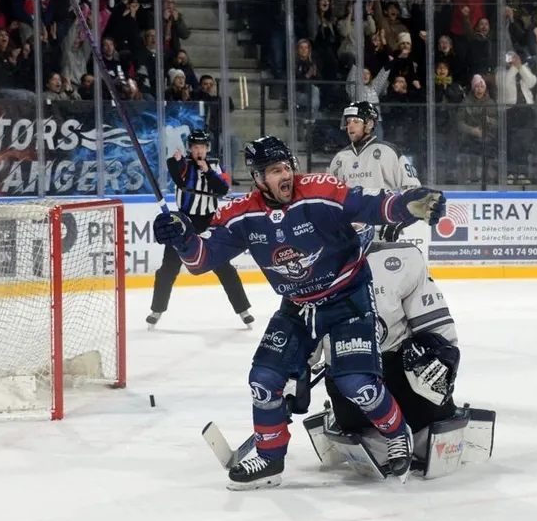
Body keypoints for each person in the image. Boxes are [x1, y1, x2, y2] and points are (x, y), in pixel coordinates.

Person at [152, 136, 446, 490]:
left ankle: (398, 434)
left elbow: (370, 205)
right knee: (263, 380)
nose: (285, 175)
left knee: (357, 384)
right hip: (297, 306)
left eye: (286, 167)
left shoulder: (321, 190)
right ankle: (270, 457)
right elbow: (202, 259)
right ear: (258, 177)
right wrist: (182, 237)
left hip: (347, 298)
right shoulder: (241, 213)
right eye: (275, 171)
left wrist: (406, 205)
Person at [303, 224, 495, 479]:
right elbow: (303, 346)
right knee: (396, 447)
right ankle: (391, 435)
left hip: (393, 384)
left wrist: (439, 360)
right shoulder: (307, 269)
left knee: (422, 443)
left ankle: (394, 434)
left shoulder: (398, 261)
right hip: (354, 389)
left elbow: (439, 334)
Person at [146, 129, 254, 330]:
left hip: (210, 223)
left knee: (224, 267)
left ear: (207, 148)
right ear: (189, 148)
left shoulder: (214, 165)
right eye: (195, 147)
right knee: (168, 268)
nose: (198, 151)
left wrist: (207, 170)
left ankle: (243, 310)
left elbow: (222, 189)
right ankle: (157, 309)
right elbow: (177, 177)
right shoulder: (183, 164)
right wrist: (174, 161)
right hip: (184, 223)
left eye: (202, 147)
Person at [329, 101, 421, 242]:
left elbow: (414, 193)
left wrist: (397, 223)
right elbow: (330, 199)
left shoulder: (388, 152)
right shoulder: (339, 158)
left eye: (356, 121)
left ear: (370, 124)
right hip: (349, 236)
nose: (350, 125)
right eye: (348, 121)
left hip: (380, 233)